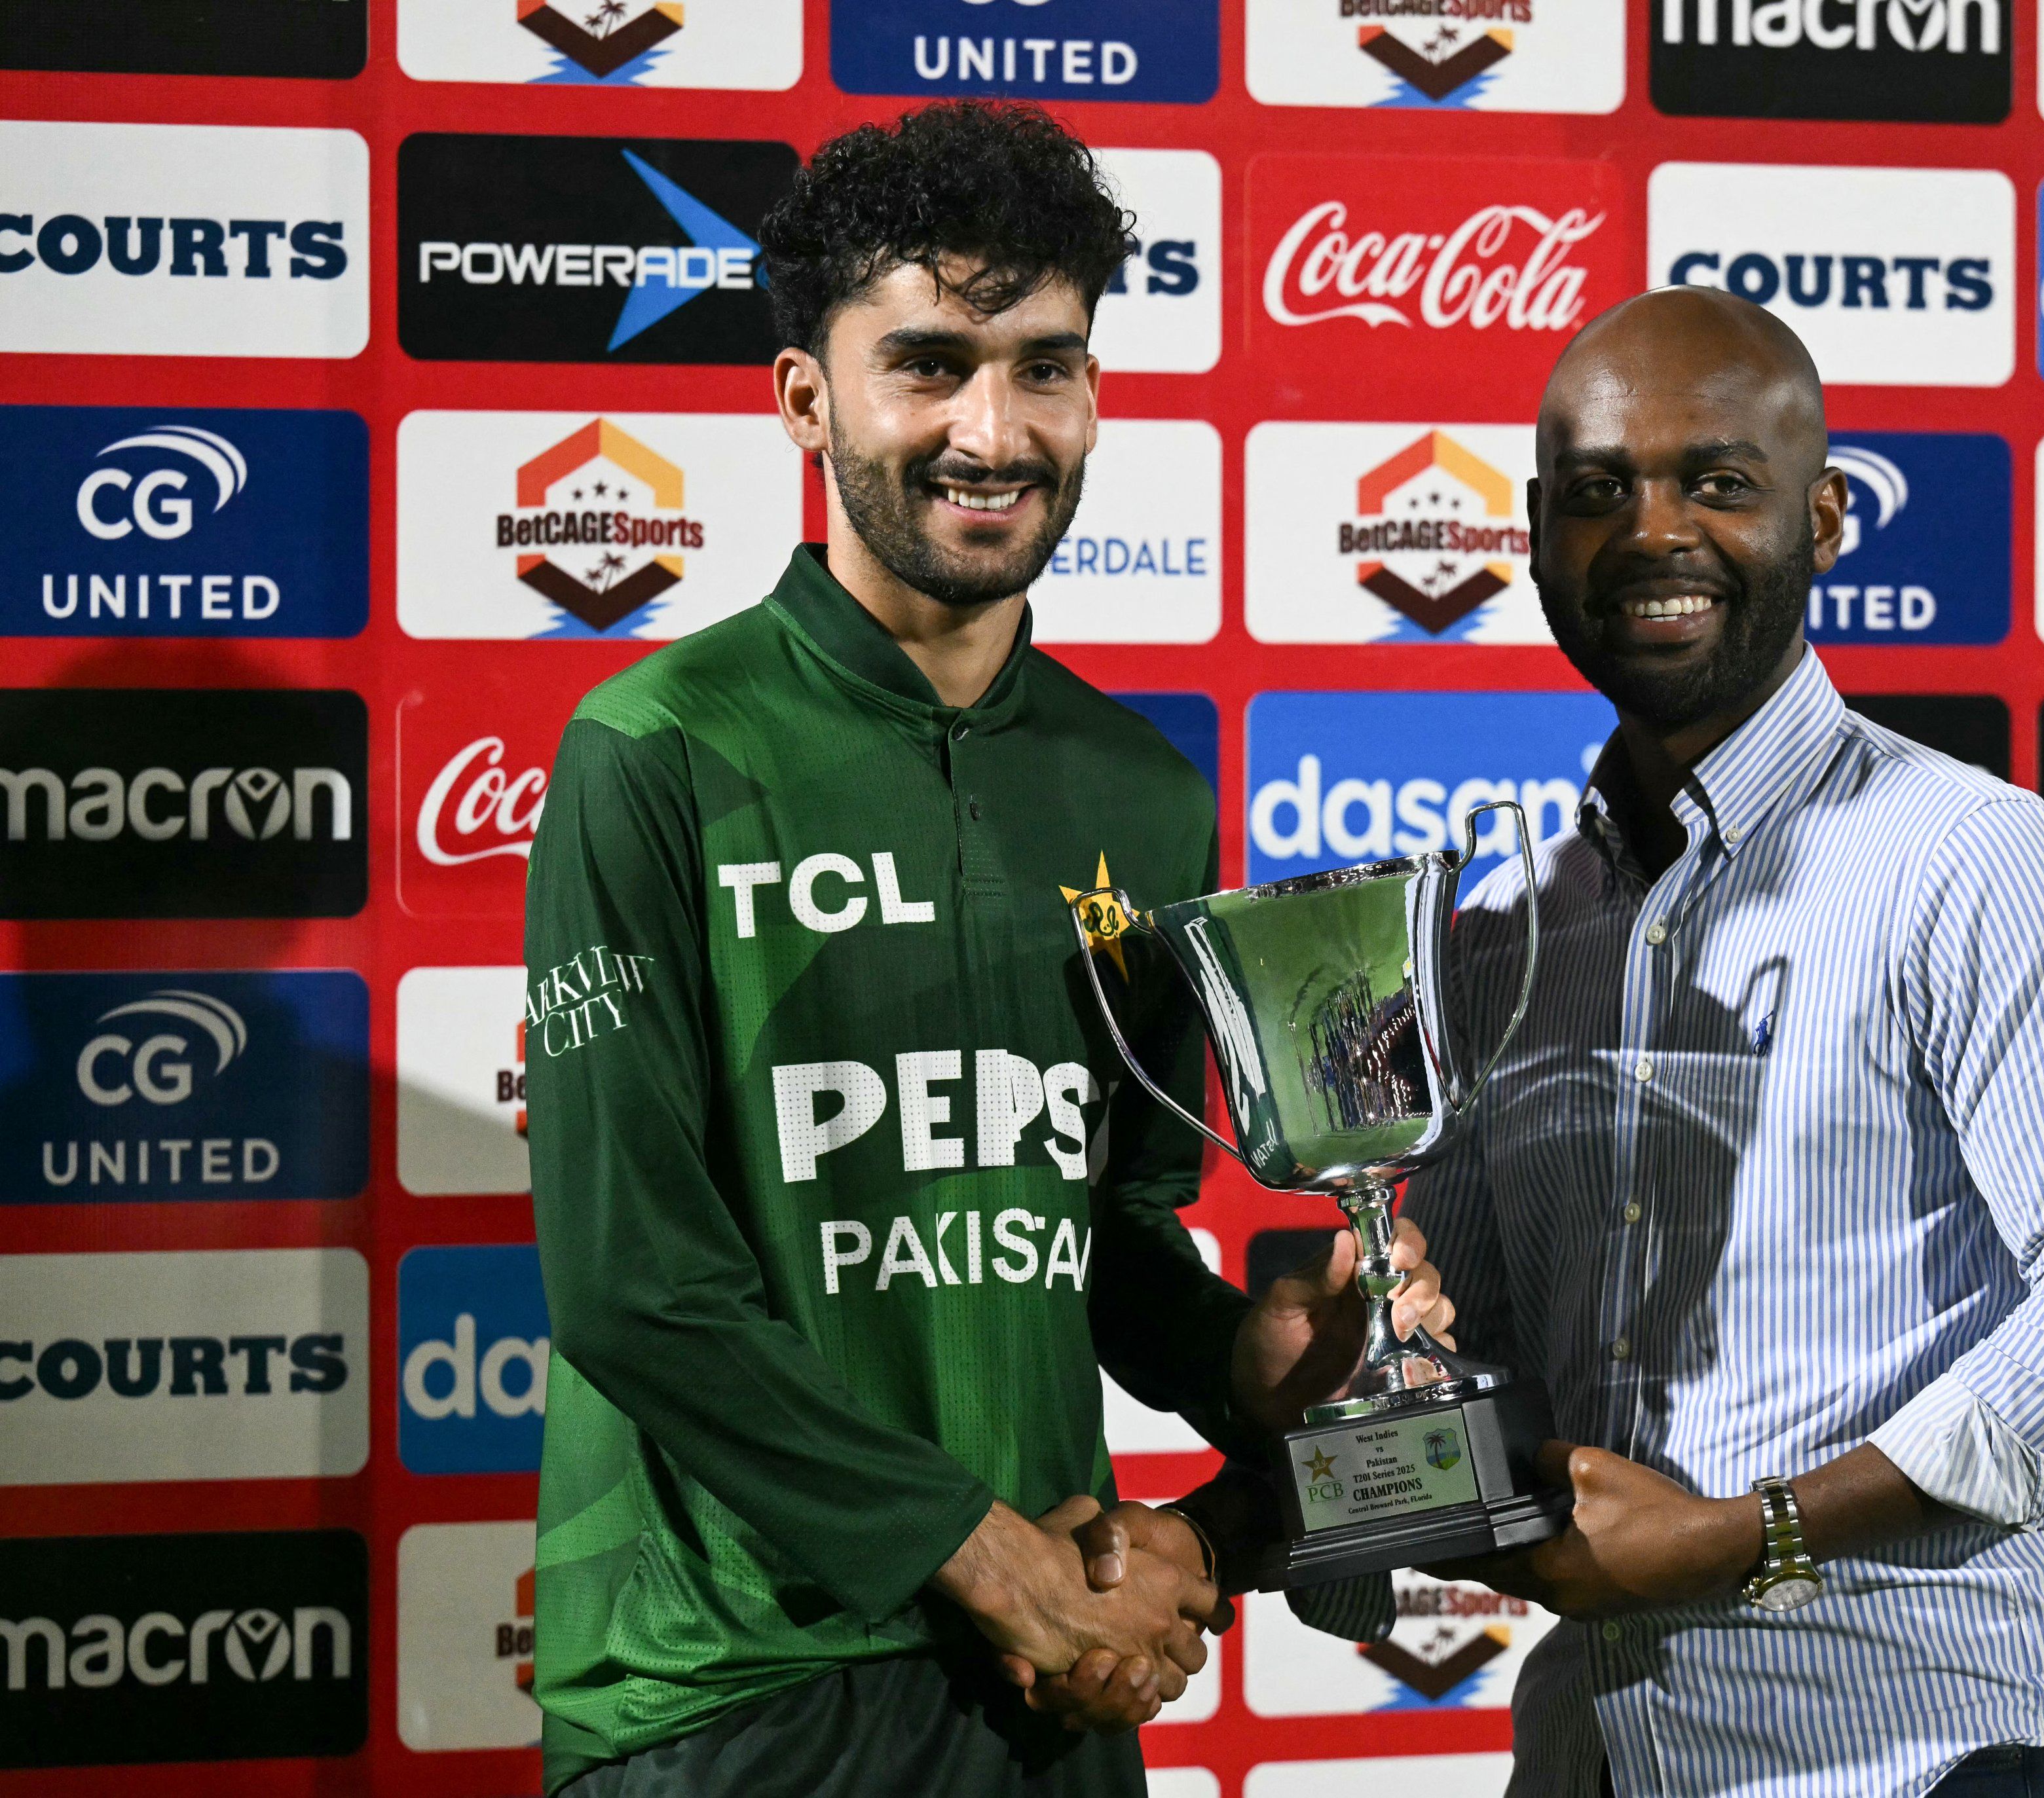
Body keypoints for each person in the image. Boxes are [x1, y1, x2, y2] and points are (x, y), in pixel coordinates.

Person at [521, 101, 1451, 1797]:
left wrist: (1243, 1361)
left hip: (1043, 1670)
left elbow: (1103, 1227)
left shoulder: (1141, 795)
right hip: (735, 1684)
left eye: (1048, 365)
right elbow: (631, 1284)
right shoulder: (654, 747)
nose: (994, 428)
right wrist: (975, 1549)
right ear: (808, 398)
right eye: (930, 364)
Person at [1404, 286, 2044, 1797]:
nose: (1653, 532)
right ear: (1530, 535)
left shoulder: (1973, 858)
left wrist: (1753, 1529)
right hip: (1605, 1753)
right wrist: (1345, 1387)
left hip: (1921, 1753)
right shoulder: (1495, 928)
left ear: (1825, 517)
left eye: (1717, 481)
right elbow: (1468, 1356)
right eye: (1597, 491)